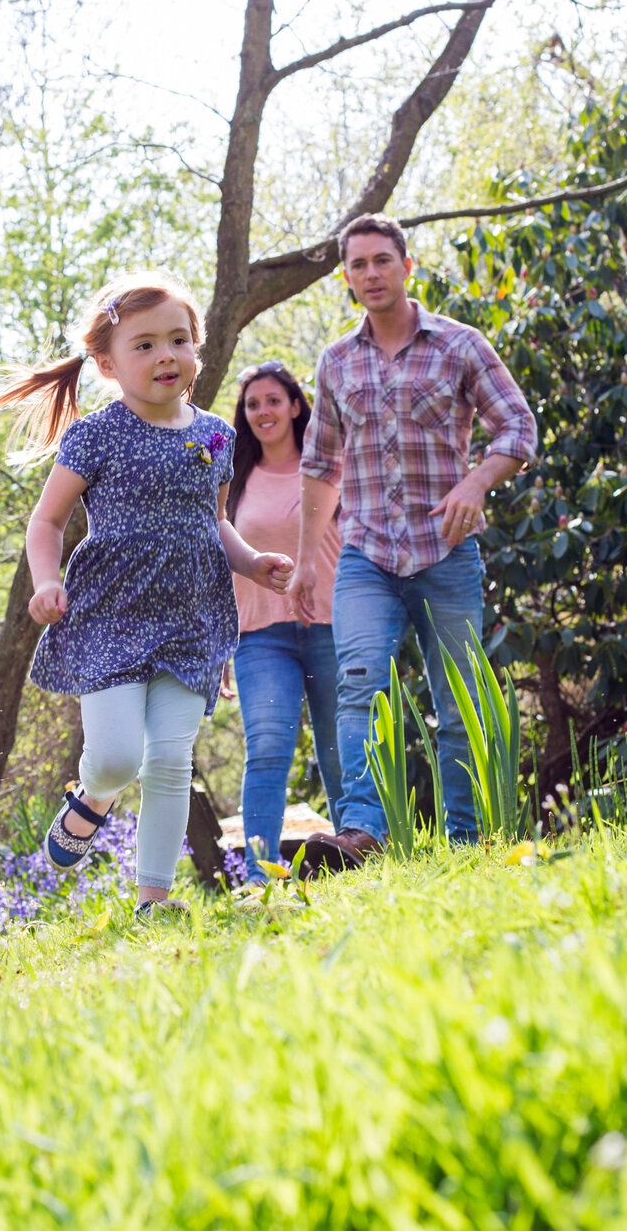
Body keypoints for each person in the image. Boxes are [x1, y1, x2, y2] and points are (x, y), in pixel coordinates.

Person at [0, 271, 293, 920]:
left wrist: (253, 563)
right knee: (118, 759)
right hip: (109, 613)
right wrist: (46, 581)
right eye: (144, 345)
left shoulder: (215, 436)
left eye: (178, 340)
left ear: (197, 349)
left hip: (192, 617)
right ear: (107, 363)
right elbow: (46, 522)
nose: (165, 356)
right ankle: (92, 799)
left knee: (170, 760)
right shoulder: (95, 434)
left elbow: (215, 519)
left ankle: (153, 899)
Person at [293, 213, 537, 865]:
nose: (370, 273)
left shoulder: (459, 346)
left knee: (458, 701)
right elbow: (319, 465)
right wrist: (304, 565)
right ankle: (361, 834)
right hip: (365, 553)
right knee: (358, 688)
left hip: (445, 554)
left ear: (406, 266)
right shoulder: (336, 362)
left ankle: (466, 840)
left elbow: (516, 427)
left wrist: (476, 483)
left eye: (380, 260)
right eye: (357, 264)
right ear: (346, 278)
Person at [225, 361, 343, 884]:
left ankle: (356, 854)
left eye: (273, 400)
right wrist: (220, 640)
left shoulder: (327, 465)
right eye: (253, 404)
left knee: (340, 747)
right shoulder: (234, 476)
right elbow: (220, 557)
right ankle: (260, 876)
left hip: (333, 624)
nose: (263, 412)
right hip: (260, 635)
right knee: (268, 749)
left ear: (296, 406)